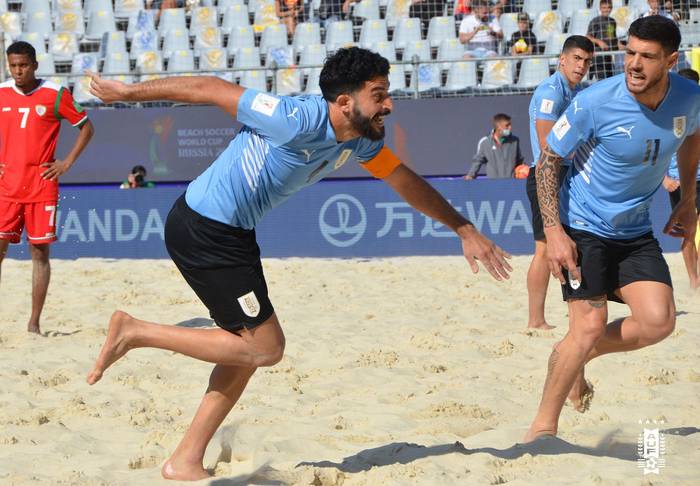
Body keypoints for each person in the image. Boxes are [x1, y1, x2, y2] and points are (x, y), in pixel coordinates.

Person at [85, 47, 512, 481]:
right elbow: (210, 88)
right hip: (205, 229)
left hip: (234, 235)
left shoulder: (361, 140)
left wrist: (463, 228)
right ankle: (135, 331)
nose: (389, 104)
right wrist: (127, 92)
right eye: (379, 94)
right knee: (265, 348)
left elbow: (403, 181)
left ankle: (185, 459)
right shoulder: (294, 118)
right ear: (345, 102)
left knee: (245, 350)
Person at [524, 16, 700, 443]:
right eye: (629, 53)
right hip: (581, 224)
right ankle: (542, 429)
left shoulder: (690, 96)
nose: (634, 65)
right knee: (586, 324)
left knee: (658, 322)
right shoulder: (595, 101)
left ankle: (575, 353)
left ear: (671, 61)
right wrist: (554, 232)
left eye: (647, 56)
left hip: (634, 227)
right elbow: (548, 161)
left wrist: (690, 198)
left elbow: (693, 136)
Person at [0, 41, 94, 334]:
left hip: (42, 187)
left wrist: (66, 163)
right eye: (13, 65)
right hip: (6, 186)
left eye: (24, 65)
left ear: (35, 65)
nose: (18, 71)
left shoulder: (55, 94)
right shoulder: (1, 92)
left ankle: (34, 323)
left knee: (39, 252)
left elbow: (87, 127)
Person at [525, 35, 594, 331]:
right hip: (548, 175)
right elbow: (545, 144)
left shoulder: (576, 92)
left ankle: (578, 314)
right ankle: (535, 319)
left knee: (576, 243)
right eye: (577, 58)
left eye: (587, 61)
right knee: (544, 248)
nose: (582, 66)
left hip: (568, 174)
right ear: (562, 60)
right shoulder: (551, 92)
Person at [662, 68, 700, 289]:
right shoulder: (669, 114)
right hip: (679, 180)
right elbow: (656, 150)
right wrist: (663, 179)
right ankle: (694, 281)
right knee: (688, 231)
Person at [464, 113, 523, 179]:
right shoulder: (485, 143)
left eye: (510, 125)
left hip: (511, 184)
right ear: (498, 127)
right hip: (494, 186)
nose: (510, 128)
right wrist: (471, 175)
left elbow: (520, 160)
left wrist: (524, 170)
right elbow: (477, 161)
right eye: (507, 126)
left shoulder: (514, 141)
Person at [586, 0, 624, 80]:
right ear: (600, 8)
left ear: (612, 8)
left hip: (608, 55)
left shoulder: (612, 21)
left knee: (609, 80)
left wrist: (619, 45)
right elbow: (588, 37)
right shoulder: (595, 21)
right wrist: (599, 42)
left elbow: (612, 37)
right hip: (598, 56)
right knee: (601, 81)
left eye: (609, 7)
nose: (607, 9)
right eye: (604, 8)